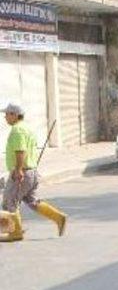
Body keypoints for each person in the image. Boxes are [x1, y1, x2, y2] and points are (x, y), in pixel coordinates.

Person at [1, 103, 67, 242]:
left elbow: (20, 151)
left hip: (22, 172)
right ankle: (58, 217)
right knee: (32, 201)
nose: (5, 117)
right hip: (32, 172)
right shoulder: (27, 128)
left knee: (9, 202)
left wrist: (18, 169)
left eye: (7, 114)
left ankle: (15, 232)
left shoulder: (17, 130)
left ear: (14, 115)